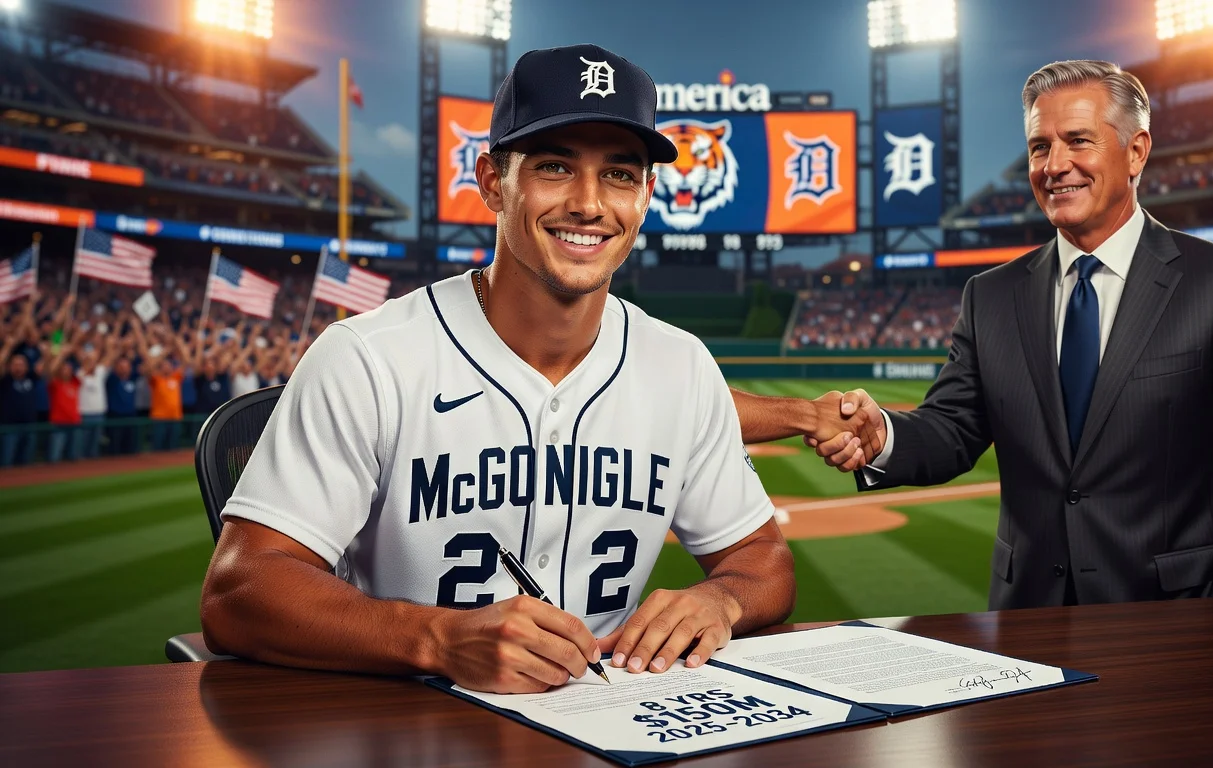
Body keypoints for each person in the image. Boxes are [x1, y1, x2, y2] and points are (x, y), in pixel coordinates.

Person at [201, 45, 825, 695]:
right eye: (555, 167)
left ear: (645, 196)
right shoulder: (369, 356)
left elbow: (762, 562)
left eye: (618, 174)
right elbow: (240, 589)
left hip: (618, 715)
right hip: (408, 716)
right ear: (494, 181)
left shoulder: (681, 364)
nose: (589, 204)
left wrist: (719, 601)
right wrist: (434, 639)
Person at [796, 60, 1213, 612]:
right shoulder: (991, 295)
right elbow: (952, 429)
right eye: (1040, 147)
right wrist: (882, 435)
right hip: (1028, 621)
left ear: (1136, 152)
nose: (1055, 165)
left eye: (1078, 140)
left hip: (1176, 626)